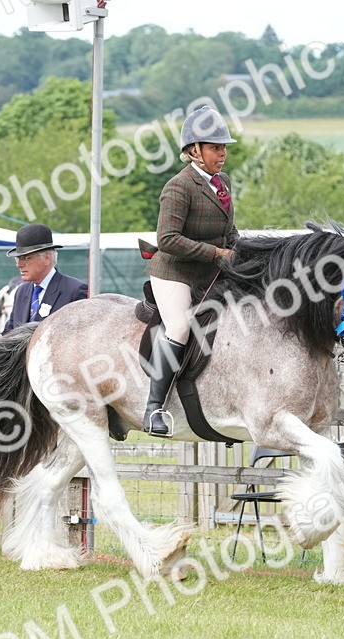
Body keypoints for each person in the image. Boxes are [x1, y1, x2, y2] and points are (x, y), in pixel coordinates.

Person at [142, 105, 239, 436]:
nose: (222, 154)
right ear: (194, 151)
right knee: (180, 328)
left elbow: (230, 232)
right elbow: (167, 239)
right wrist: (216, 253)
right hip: (174, 272)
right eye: (215, 147)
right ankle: (153, 409)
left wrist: (244, 253)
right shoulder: (178, 186)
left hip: (211, 272)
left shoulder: (222, 182)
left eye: (223, 147)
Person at [0, 224, 88, 342]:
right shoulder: (22, 291)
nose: (19, 264)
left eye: (26, 258)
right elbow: (10, 337)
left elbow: (79, 341)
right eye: (18, 258)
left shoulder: (74, 291)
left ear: (47, 258)